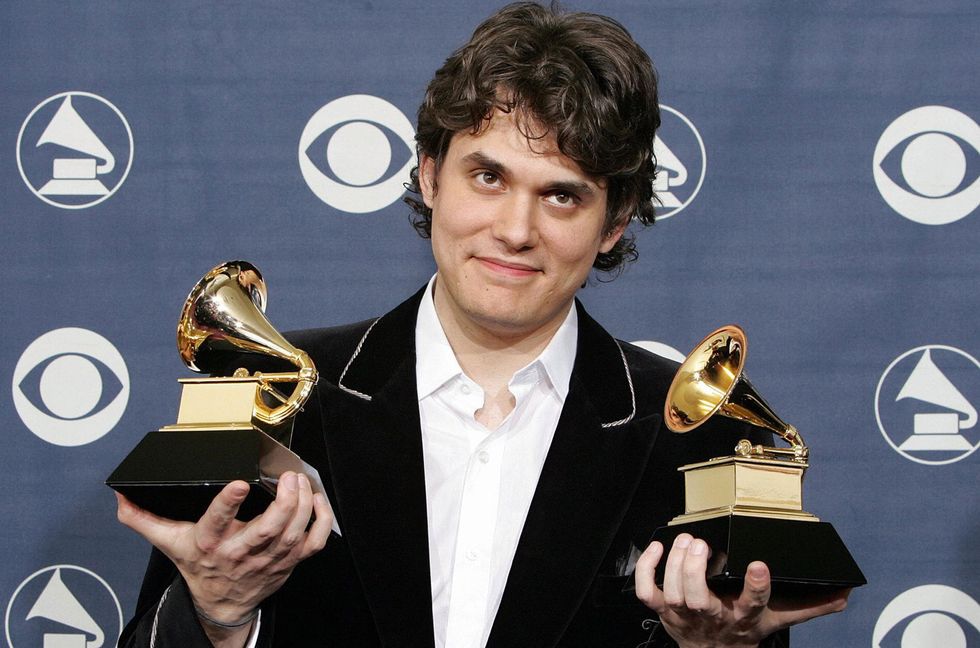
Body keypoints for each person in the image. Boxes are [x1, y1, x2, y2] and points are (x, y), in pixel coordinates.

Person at [115, 3, 849, 647]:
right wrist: (214, 612)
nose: (515, 229)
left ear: (614, 223)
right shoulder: (275, 391)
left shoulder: (693, 431)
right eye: (488, 177)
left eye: (562, 196)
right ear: (431, 176)